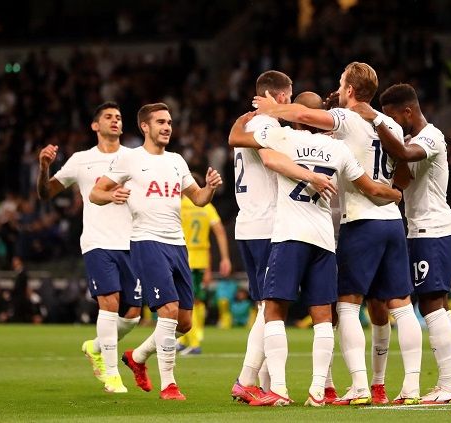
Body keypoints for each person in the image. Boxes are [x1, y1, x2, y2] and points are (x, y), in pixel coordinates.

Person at [253, 63, 423, 406]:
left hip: (359, 220)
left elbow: (307, 115)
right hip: (392, 219)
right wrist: (393, 192)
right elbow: (403, 166)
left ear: (349, 88)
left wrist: (273, 109)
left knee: (346, 306)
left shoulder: (345, 119)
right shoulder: (388, 122)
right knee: (402, 307)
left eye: (341, 83)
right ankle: (412, 387)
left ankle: (358, 386)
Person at [90, 102, 223, 400]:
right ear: (145, 127)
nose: (167, 127)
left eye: (170, 123)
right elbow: (95, 193)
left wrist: (211, 187)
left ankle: (137, 357)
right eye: (161, 122)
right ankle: (169, 385)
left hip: (177, 244)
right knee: (169, 311)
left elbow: (199, 198)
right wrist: (112, 194)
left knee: (185, 323)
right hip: (146, 242)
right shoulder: (129, 159)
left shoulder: (177, 161)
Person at [351, 83, 451, 404]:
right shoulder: (407, 140)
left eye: (391, 117)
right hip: (417, 230)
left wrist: (373, 119)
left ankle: (450, 384)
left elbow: (404, 153)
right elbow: (400, 183)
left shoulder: (432, 136)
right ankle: (443, 384)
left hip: (435, 229)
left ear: (407, 112)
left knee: (432, 303)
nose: (389, 123)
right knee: (429, 303)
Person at [228, 70, 338, 404]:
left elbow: (235, 138)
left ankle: (260, 384)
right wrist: (310, 176)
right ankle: (248, 379)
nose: (290, 106)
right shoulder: (269, 126)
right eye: (288, 98)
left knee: (267, 306)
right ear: (279, 97)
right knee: (271, 308)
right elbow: (269, 156)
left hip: (247, 223)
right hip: (267, 225)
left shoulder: (247, 122)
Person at [37, 101, 141, 394]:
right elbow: (46, 193)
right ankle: (111, 375)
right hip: (97, 241)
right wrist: (44, 167)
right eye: (108, 117)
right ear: (95, 126)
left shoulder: (134, 158)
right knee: (108, 303)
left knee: (133, 314)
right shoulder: (81, 160)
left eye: (119, 117)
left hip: (131, 242)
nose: (115, 121)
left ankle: (95, 347)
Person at [176, 173, 232, 355]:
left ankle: (193, 342)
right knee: (195, 300)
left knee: (185, 301)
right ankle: (187, 339)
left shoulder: (180, 205)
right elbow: (220, 231)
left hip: (182, 257)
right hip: (200, 259)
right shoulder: (207, 207)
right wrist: (225, 258)